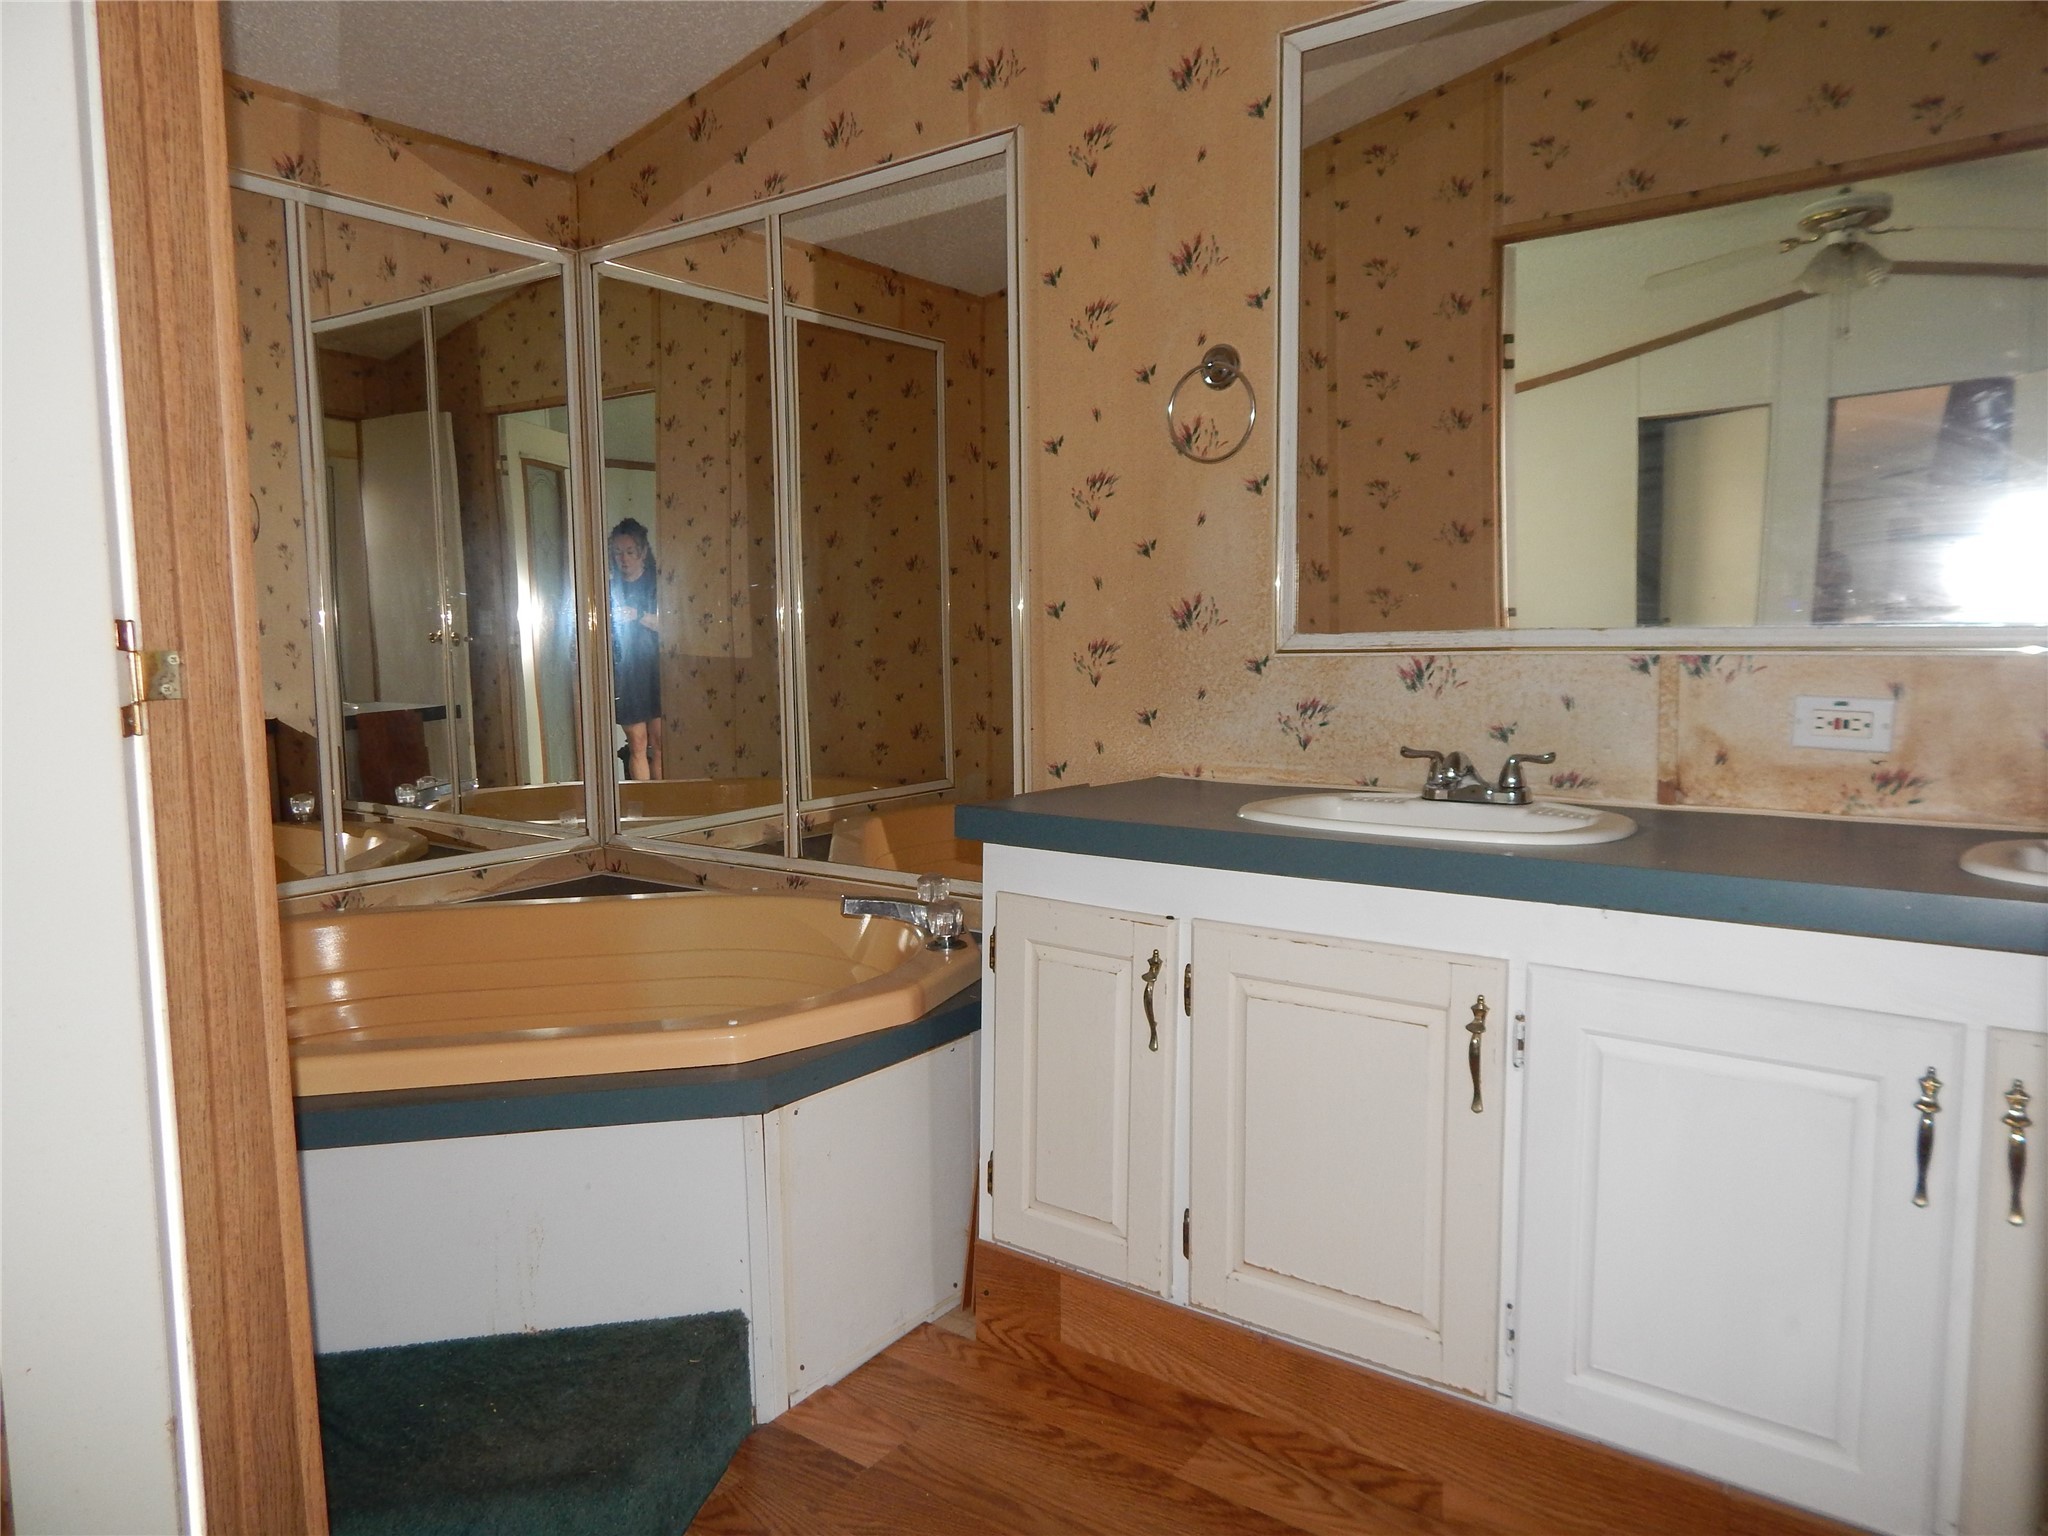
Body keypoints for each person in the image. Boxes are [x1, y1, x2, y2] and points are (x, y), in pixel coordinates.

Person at [607, 517, 663, 780]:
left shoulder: (657, 583)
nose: (623, 559)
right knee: (637, 744)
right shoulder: (608, 587)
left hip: (657, 670)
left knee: (660, 743)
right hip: (626, 674)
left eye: (629, 552)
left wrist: (637, 614)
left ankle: (664, 803)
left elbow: (672, 625)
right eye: (618, 553)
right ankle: (647, 807)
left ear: (642, 552)